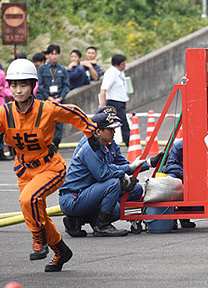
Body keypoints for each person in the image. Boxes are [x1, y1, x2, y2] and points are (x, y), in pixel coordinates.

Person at [0, 59, 100, 272]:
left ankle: (39, 241)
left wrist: (90, 132)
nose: (18, 90)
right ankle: (61, 250)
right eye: (14, 85)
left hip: (50, 167)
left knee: (29, 199)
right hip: (24, 170)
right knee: (37, 215)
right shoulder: (5, 113)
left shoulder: (47, 109)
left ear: (32, 86)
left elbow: (72, 112)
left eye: (23, 85)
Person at [59, 107, 163, 237]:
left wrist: (148, 163)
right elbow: (103, 174)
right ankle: (101, 225)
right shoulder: (90, 147)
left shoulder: (109, 144)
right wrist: (123, 175)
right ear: (98, 131)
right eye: (110, 127)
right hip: (76, 196)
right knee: (113, 188)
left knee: (135, 189)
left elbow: (123, 166)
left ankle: (78, 220)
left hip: (94, 190)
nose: (114, 131)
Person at [37, 44, 70, 148]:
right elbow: (40, 85)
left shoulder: (63, 69)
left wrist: (60, 98)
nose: (54, 56)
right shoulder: (42, 69)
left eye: (56, 54)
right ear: (48, 55)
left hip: (59, 100)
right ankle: (46, 144)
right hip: (47, 101)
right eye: (52, 54)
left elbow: (66, 85)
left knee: (59, 124)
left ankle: (55, 144)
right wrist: (49, 98)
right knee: (46, 123)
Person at [162, 139, 196, 229]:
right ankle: (171, 217)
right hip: (179, 174)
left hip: (192, 175)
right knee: (172, 180)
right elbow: (169, 166)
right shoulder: (178, 146)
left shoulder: (200, 146)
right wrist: (185, 173)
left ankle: (184, 217)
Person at [99, 54, 130, 147]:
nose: (124, 66)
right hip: (114, 102)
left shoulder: (120, 73)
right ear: (117, 64)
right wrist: (102, 105)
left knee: (120, 123)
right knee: (122, 123)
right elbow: (103, 89)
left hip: (121, 102)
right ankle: (128, 142)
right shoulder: (111, 73)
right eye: (123, 64)